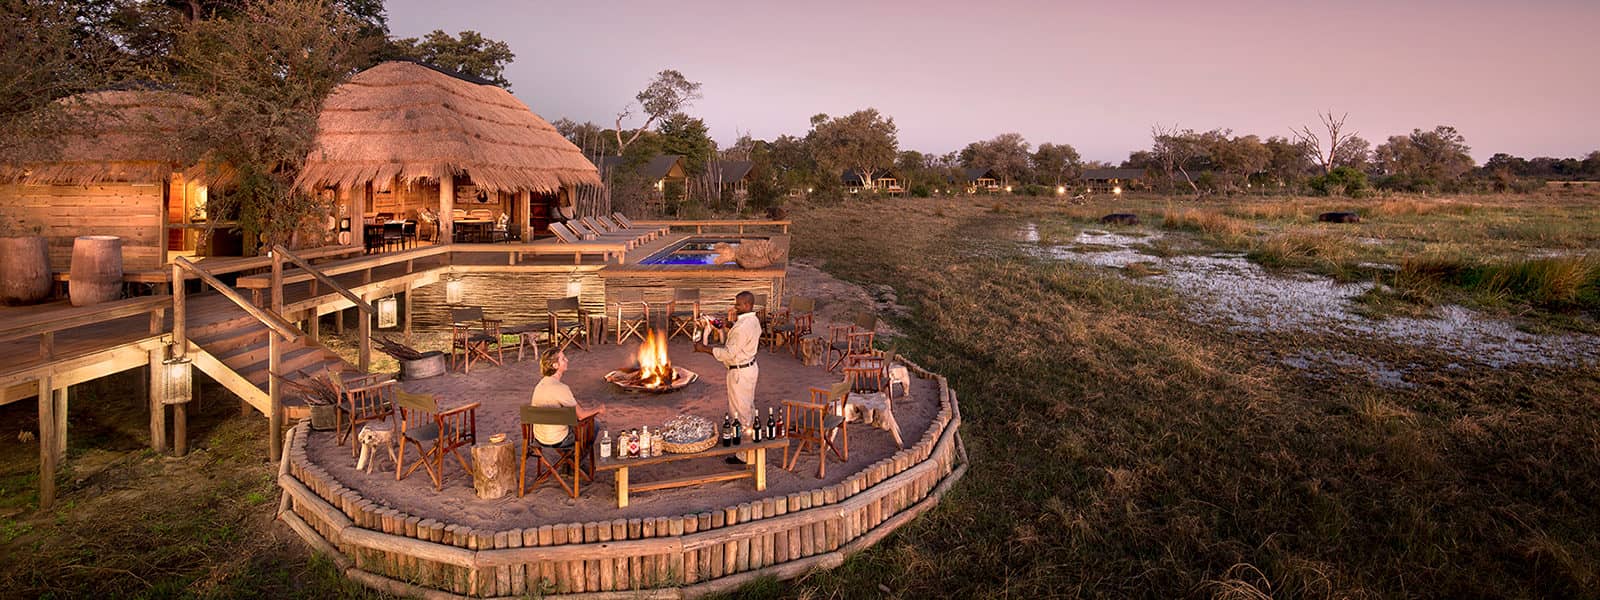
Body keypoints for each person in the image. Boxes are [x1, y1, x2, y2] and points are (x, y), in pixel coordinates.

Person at [694, 291, 760, 464]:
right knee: (747, 407)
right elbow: (741, 333)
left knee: (740, 412)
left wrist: (704, 349)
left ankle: (744, 455)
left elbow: (729, 354)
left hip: (739, 372)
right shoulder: (752, 320)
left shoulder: (742, 327)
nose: (735, 307)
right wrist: (727, 325)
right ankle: (743, 442)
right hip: (749, 368)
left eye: (738, 304)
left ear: (747, 305)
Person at [528, 348, 602, 448]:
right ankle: (576, 459)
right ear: (555, 365)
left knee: (569, 421)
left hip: (539, 437)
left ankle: (569, 461)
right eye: (563, 359)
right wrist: (599, 409)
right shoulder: (561, 388)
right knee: (595, 424)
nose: (567, 360)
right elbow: (581, 415)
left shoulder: (540, 384)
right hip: (558, 440)